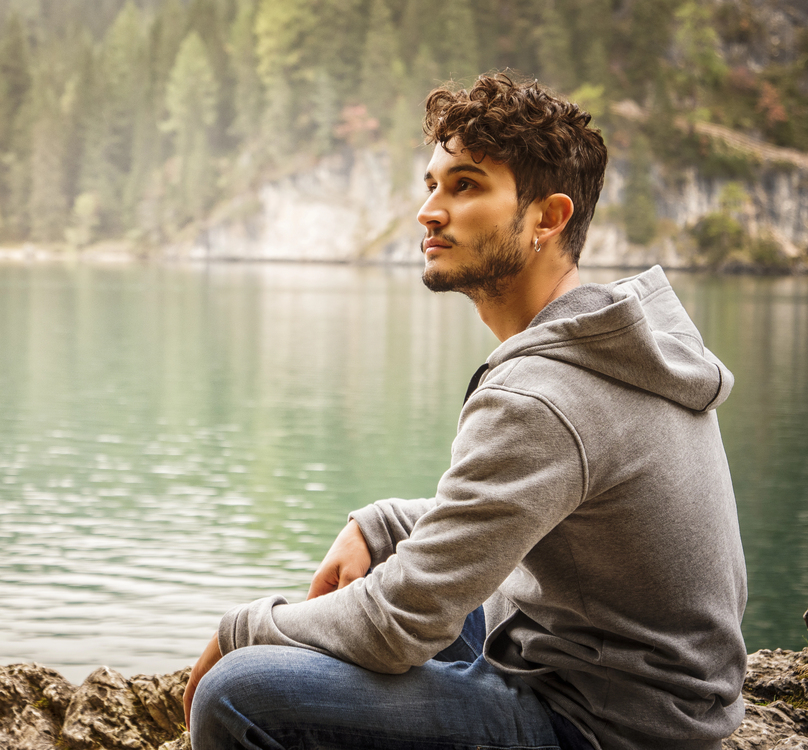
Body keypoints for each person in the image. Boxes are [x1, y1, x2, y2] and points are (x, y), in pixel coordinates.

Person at [182, 73, 747, 750]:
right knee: (422, 595)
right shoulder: (614, 344)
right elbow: (536, 506)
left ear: (548, 217)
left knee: (236, 694)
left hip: (604, 726)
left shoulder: (544, 396)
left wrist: (241, 629)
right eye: (432, 185)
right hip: (639, 688)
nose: (429, 210)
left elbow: (400, 624)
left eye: (466, 185)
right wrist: (384, 523)